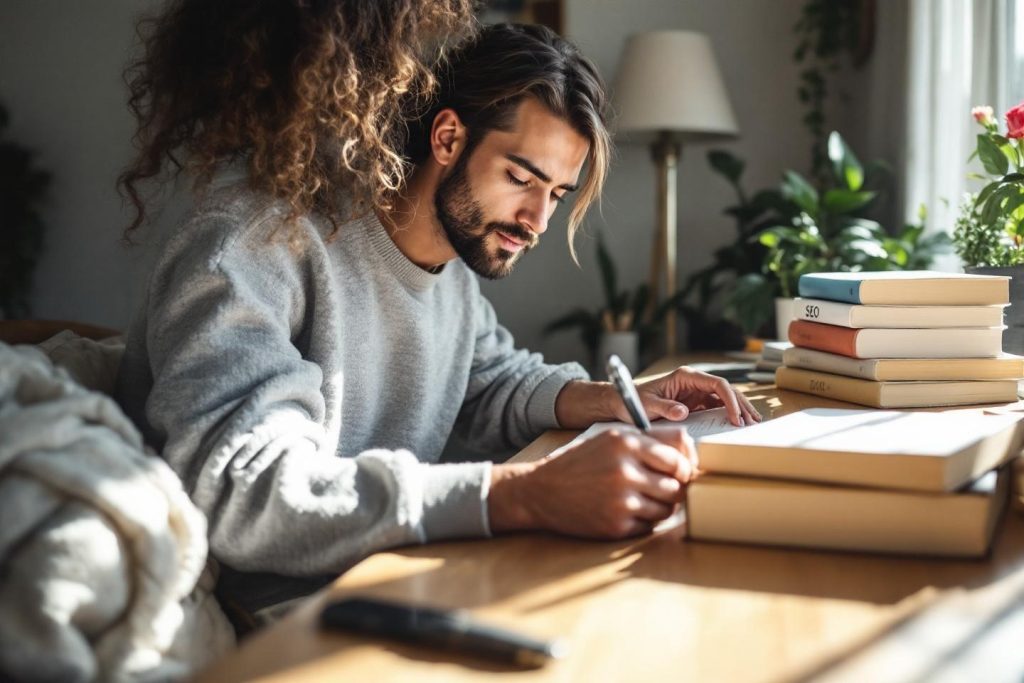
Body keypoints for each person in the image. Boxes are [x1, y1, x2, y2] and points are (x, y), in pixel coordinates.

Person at [115, 17, 760, 624]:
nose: (537, 221)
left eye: (556, 195)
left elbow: (488, 378)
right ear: (448, 138)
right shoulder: (253, 246)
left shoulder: (450, 270)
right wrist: (520, 492)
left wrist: (607, 398)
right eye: (521, 178)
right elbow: (247, 492)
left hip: (389, 576)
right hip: (273, 617)